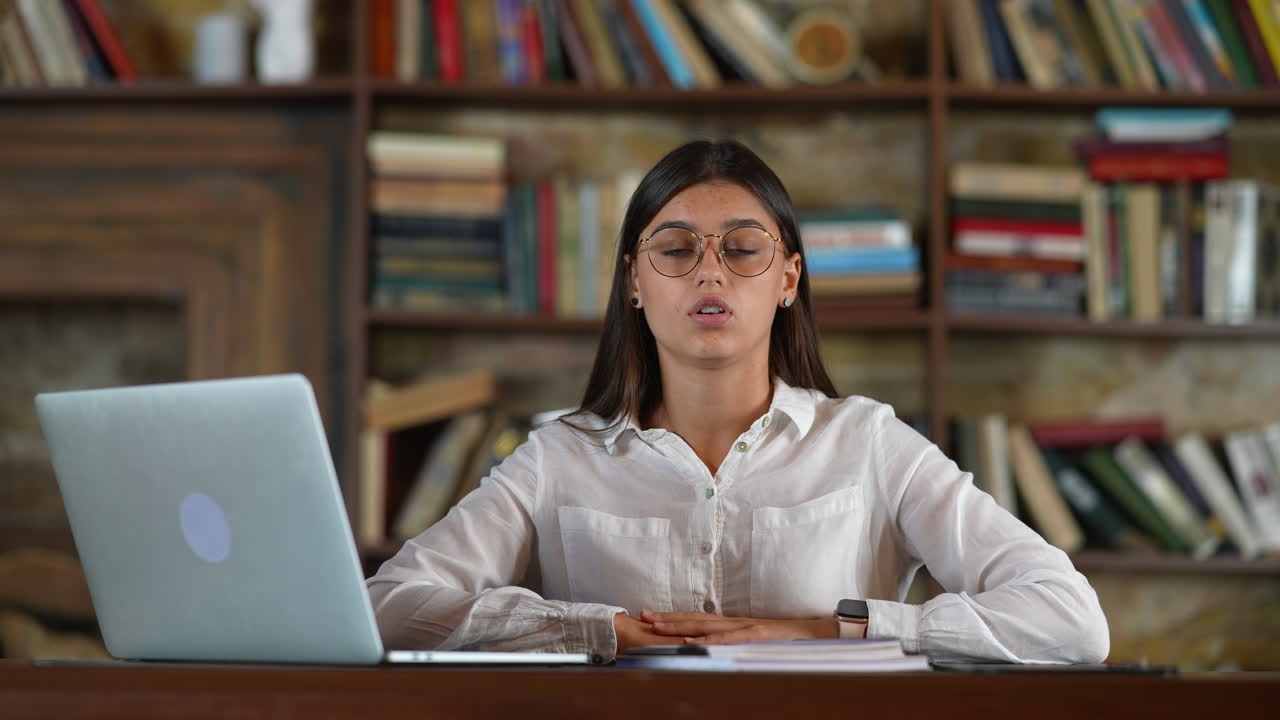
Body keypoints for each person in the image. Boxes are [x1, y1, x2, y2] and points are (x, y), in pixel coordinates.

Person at [365, 139, 1110, 664]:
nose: (709, 274)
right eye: (677, 249)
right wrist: (602, 630)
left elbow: (1070, 621)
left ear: (787, 278)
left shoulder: (868, 444)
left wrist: (826, 633)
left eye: (743, 249)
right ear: (634, 281)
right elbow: (387, 605)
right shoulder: (558, 457)